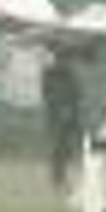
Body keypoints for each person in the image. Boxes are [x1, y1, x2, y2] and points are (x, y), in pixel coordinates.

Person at [40, 46, 90, 192]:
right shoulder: (49, 74)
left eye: (66, 59)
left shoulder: (70, 74)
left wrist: (70, 109)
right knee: (59, 148)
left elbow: (78, 94)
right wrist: (59, 110)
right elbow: (47, 96)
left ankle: (84, 173)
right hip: (56, 117)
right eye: (63, 58)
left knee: (77, 145)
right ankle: (58, 179)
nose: (66, 62)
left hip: (71, 115)